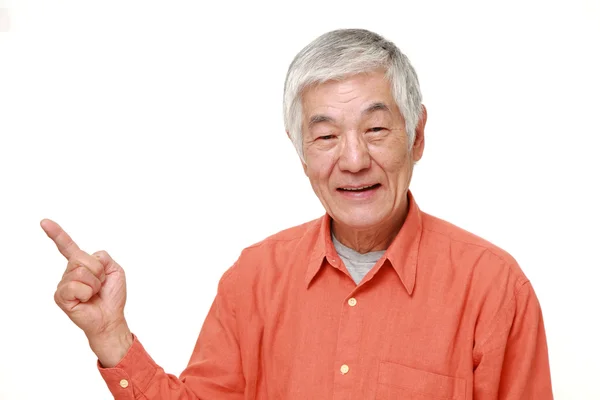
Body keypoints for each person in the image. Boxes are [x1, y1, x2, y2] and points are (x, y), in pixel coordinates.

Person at [41, 29, 553, 399]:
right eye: (327, 136)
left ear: (416, 135)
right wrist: (111, 338)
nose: (353, 160)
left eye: (375, 130)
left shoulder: (493, 287)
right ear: (300, 149)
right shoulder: (254, 278)